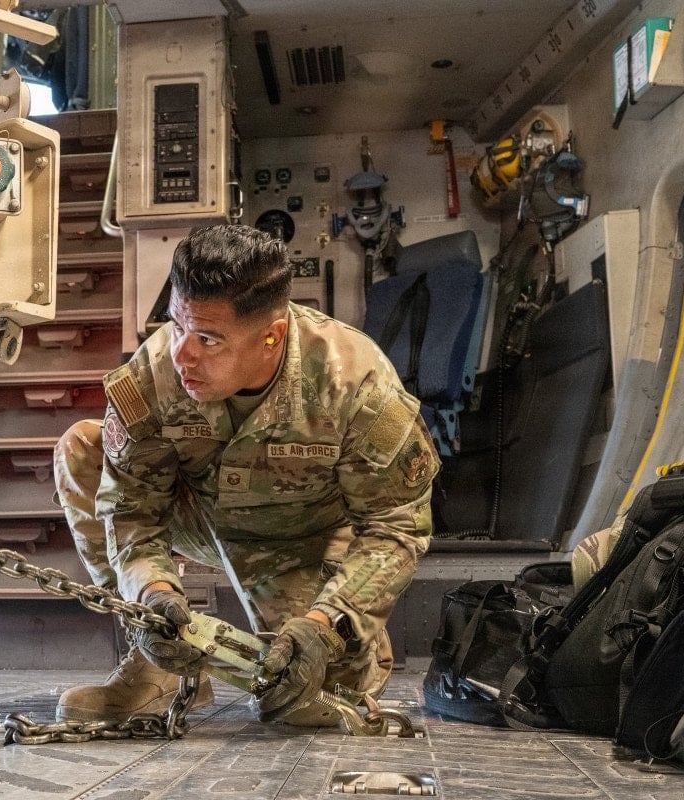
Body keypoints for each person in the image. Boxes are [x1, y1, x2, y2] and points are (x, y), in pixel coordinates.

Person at [52, 224, 440, 725]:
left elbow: (395, 526)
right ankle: (158, 665)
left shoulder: (354, 383)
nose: (182, 353)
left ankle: (334, 641)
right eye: (177, 325)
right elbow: (132, 510)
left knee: (306, 702)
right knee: (83, 448)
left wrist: (326, 625)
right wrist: (153, 596)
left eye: (208, 339)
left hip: (308, 535)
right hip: (204, 518)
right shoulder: (154, 374)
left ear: (271, 337)